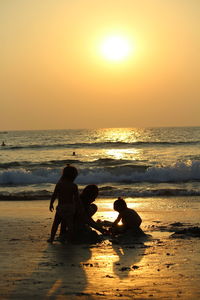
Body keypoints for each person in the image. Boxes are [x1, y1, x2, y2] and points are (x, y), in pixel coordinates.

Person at [47, 164, 79, 243]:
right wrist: (78, 207)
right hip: (70, 207)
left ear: (63, 175)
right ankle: (70, 240)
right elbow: (77, 198)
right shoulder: (74, 186)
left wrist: (51, 204)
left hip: (61, 207)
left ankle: (51, 239)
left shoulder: (59, 184)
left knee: (56, 223)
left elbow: (54, 195)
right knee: (70, 224)